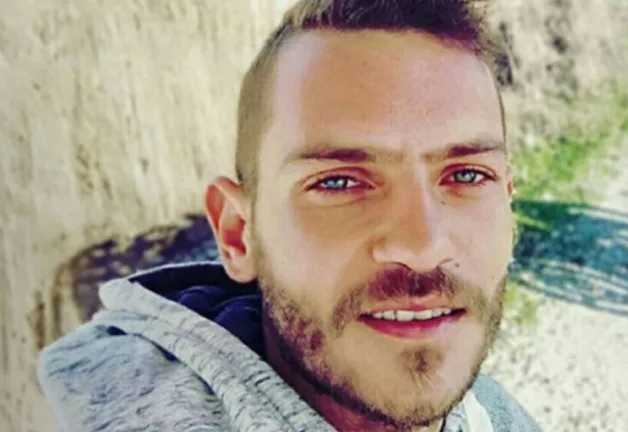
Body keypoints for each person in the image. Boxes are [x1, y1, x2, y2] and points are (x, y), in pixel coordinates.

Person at [37, 0, 542, 431]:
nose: (423, 245)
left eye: (468, 175)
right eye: (338, 182)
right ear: (239, 235)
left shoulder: (495, 414)